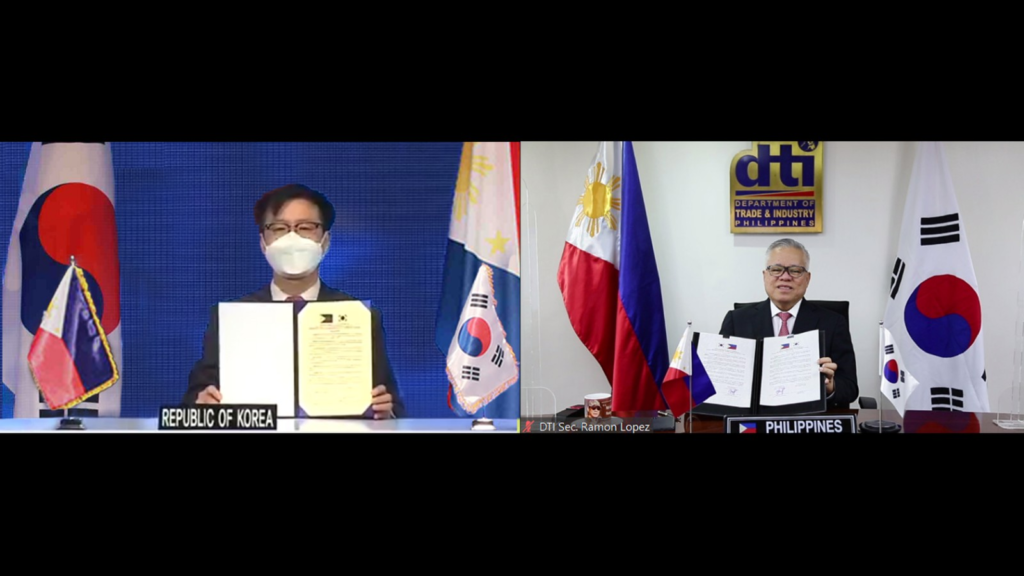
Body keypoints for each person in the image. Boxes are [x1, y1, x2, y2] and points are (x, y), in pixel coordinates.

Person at [183, 184, 403, 418]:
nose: (292, 238)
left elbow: (394, 408)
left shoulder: (360, 316)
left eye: (306, 227)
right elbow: (191, 403)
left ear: (325, 242)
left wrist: (386, 413)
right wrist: (202, 407)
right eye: (279, 228)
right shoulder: (231, 319)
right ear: (263, 243)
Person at [719, 238, 858, 409]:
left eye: (795, 270)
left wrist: (830, 387)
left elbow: (850, 388)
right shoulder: (737, 320)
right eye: (776, 269)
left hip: (811, 420)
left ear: (807, 278)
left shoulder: (833, 322)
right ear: (764, 276)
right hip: (754, 419)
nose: (785, 277)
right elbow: (722, 383)